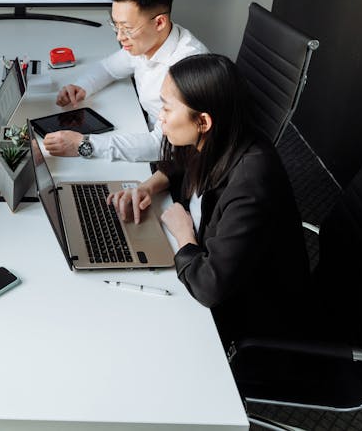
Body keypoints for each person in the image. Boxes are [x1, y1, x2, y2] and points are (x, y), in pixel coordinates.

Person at [107, 54, 309, 347]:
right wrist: (149, 187)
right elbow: (179, 162)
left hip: (248, 319)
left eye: (166, 107)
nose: (159, 116)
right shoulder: (219, 137)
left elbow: (210, 286)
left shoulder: (251, 183)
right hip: (216, 275)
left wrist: (183, 234)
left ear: (202, 121)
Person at [43, 0, 207, 161]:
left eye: (127, 28)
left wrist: (85, 145)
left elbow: (165, 145)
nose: (120, 37)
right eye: (116, 26)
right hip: (144, 129)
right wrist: (82, 86)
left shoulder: (188, 66)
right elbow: (108, 68)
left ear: (160, 22)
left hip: (174, 160)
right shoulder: (146, 42)